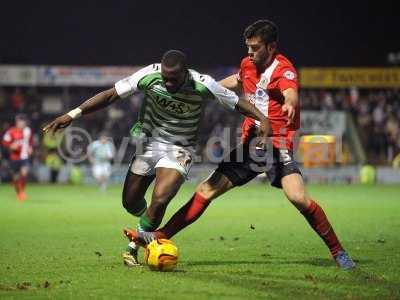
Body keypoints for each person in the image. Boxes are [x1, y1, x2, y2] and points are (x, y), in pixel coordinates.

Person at [126, 21, 356, 270]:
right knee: (205, 191)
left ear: (271, 46)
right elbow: (235, 80)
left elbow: (290, 91)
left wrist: (290, 103)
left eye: (255, 48)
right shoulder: (248, 64)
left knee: (298, 198)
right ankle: (159, 236)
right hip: (249, 147)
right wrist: (202, 92)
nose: (249, 52)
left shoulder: (284, 69)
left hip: (275, 146)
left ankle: (338, 252)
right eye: (248, 47)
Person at [43, 49, 270, 266]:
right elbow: (111, 94)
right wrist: (73, 114)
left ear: (185, 73)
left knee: (160, 197)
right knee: (130, 202)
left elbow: (237, 103)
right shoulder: (149, 75)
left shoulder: (203, 84)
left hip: (180, 148)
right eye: (165, 78)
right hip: (148, 143)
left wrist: (263, 119)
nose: (168, 84)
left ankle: (135, 245)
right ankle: (149, 222)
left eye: (173, 79)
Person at [2, 114, 33, 201]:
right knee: (15, 178)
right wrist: (11, 146)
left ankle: (22, 192)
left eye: (23, 122)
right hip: (14, 158)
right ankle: (18, 192)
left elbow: (30, 141)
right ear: (17, 123)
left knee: (24, 173)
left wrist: (30, 147)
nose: (22, 124)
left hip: (24, 157)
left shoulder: (28, 130)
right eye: (20, 122)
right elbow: (5, 142)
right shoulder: (11, 131)